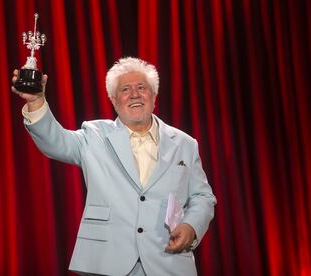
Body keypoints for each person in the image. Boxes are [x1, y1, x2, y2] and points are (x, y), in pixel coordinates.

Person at [11, 57, 216, 275]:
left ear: (154, 96)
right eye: (125, 89)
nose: (135, 94)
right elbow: (55, 142)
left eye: (142, 88)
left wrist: (191, 226)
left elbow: (202, 197)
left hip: (168, 262)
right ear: (113, 100)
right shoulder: (94, 135)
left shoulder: (185, 143)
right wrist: (36, 102)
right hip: (107, 263)